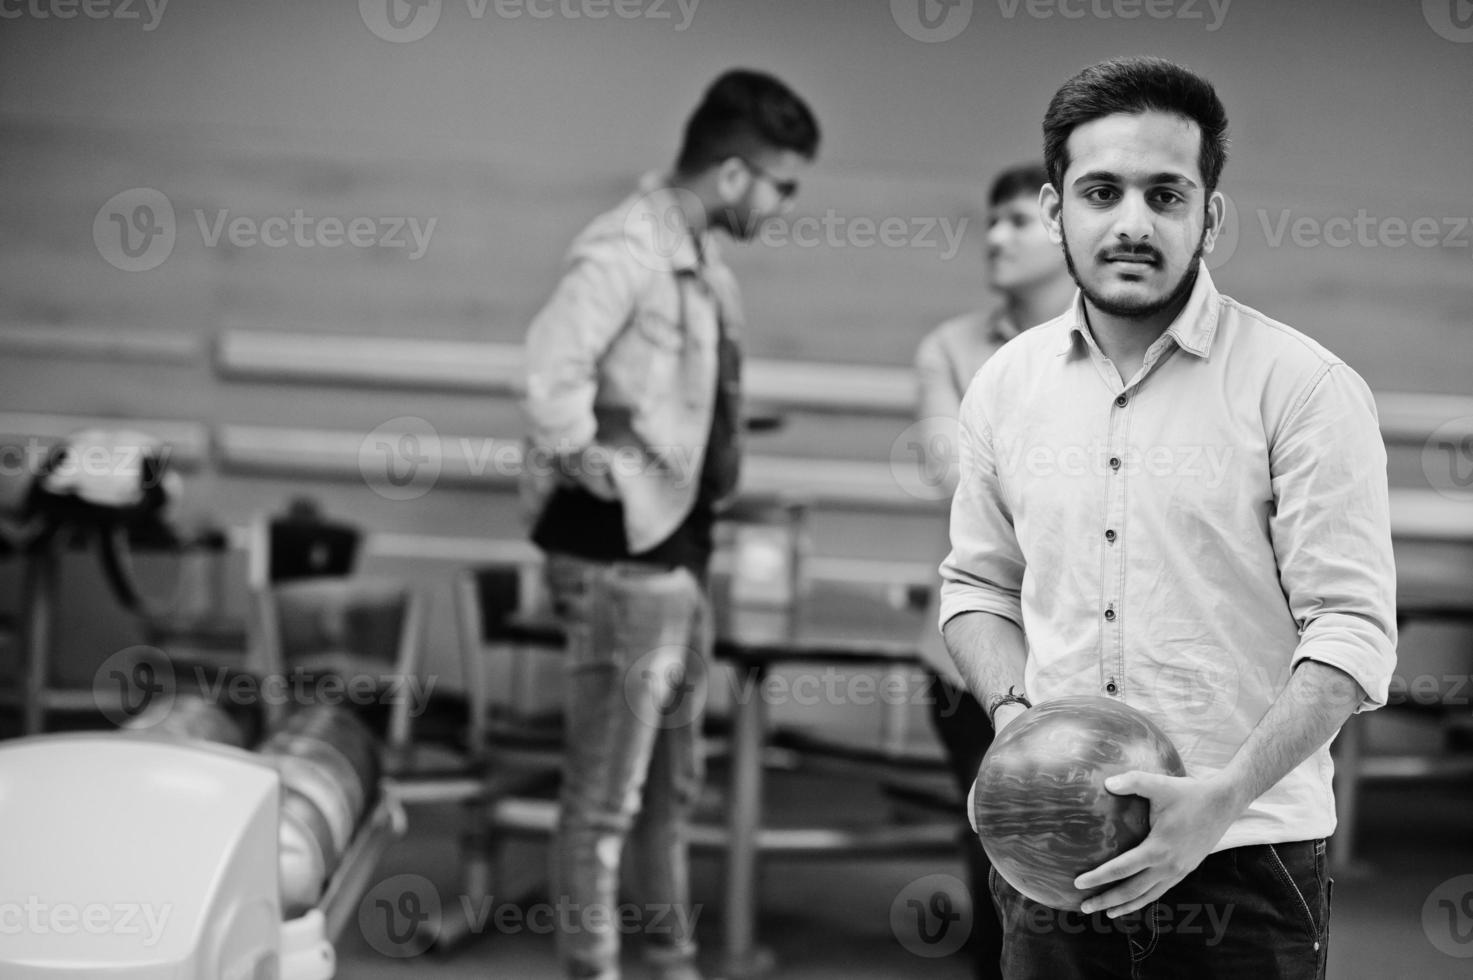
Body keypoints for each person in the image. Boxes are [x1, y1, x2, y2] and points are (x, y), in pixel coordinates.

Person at [939, 56, 1396, 979]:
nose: (1132, 223)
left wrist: (1220, 798)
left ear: (1209, 217)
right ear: (1054, 205)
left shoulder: (1301, 388)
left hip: (1245, 859)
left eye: (1166, 194)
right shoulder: (1005, 386)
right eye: (1101, 191)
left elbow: (1350, 631)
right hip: (1048, 865)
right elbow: (977, 583)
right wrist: (1015, 716)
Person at [520, 69, 819, 980]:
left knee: (669, 787)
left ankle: (669, 960)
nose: (781, 206)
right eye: (781, 186)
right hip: (622, 561)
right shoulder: (625, 249)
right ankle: (595, 968)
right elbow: (547, 383)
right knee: (607, 797)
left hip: (675, 556)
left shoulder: (698, 262)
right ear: (734, 174)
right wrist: (609, 482)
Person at [912, 161, 1074, 980]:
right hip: (971, 649)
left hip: (1090, 650)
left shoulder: (1129, 338)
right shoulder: (950, 346)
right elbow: (957, 480)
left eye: (1017, 219)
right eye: (991, 220)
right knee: (991, 823)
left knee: (1092, 834)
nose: (995, 237)